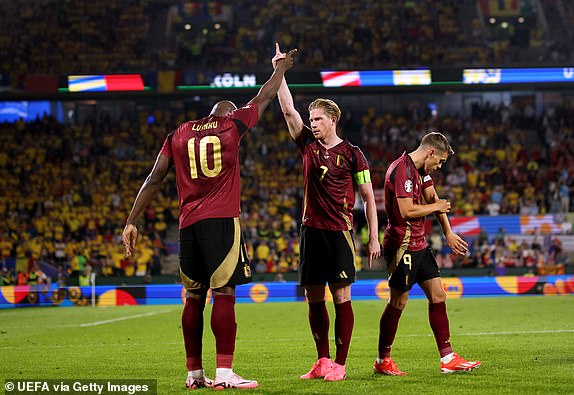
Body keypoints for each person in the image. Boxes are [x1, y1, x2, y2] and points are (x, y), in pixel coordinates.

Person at [122, 47, 296, 390]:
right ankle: (226, 373)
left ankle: (193, 373)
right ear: (229, 113)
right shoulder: (232, 124)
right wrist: (281, 68)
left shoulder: (179, 133)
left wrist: (131, 220)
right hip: (220, 221)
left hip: (188, 225)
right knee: (225, 293)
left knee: (193, 297)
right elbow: (264, 97)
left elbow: (154, 178)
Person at [273, 43, 380, 381]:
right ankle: (322, 360)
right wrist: (279, 71)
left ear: (333, 120)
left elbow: (368, 197)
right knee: (313, 297)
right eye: (311, 119)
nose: (312, 123)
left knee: (342, 296)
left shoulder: (353, 154)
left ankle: (341, 364)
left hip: (339, 232)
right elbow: (288, 109)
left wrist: (374, 236)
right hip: (311, 230)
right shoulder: (306, 144)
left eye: (317, 119)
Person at [374, 132, 480, 375]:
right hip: (401, 245)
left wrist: (449, 233)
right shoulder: (402, 170)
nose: (439, 166)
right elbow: (407, 210)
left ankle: (448, 358)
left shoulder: (422, 172)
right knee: (398, 301)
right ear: (430, 152)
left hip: (419, 244)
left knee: (438, 295)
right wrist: (437, 207)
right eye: (440, 161)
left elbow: (434, 198)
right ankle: (382, 360)